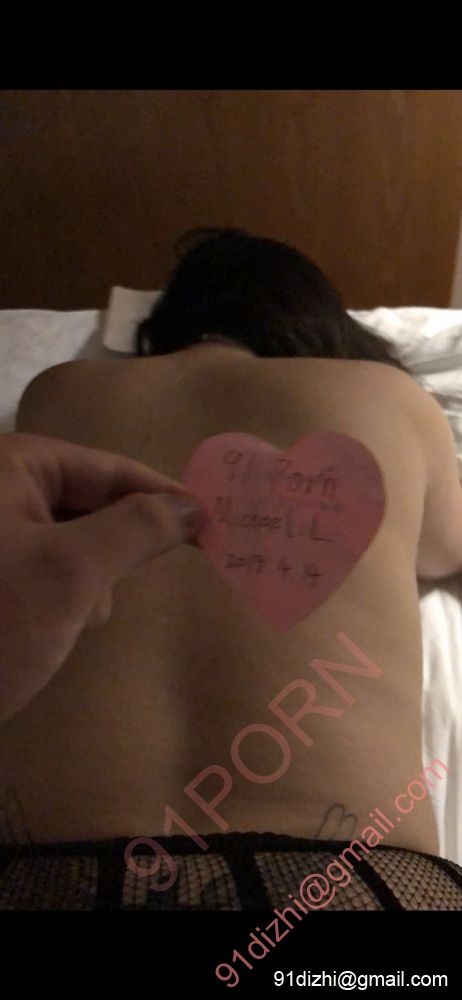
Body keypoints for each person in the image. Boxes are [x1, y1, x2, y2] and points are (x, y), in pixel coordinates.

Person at [1, 228, 462, 912]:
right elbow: (445, 551)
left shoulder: (58, 390)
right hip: (354, 875)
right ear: (318, 324)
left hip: (44, 875)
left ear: (163, 324)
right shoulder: (387, 393)